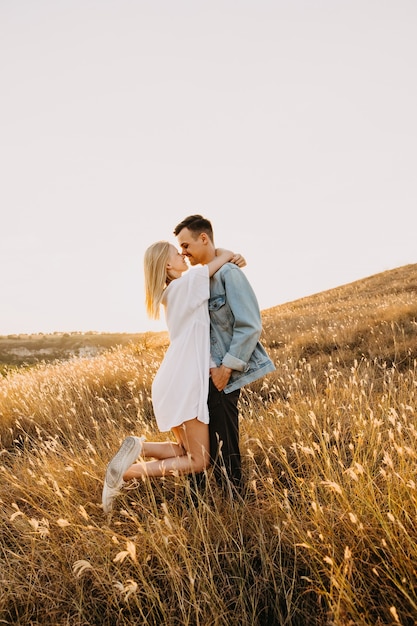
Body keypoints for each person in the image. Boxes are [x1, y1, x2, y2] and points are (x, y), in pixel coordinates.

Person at [102, 241, 245, 514]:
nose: (182, 255)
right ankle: (127, 473)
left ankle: (140, 447)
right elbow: (220, 257)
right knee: (199, 461)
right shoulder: (184, 285)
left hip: (175, 380)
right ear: (167, 265)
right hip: (184, 382)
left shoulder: (172, 292)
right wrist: (231, 255)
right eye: (176, 253)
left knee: (183, 450)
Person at [173, 215, 275, 496]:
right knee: (202, 444)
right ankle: (199, 504)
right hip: (197, 374)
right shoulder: (197, 279)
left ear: (203, 238)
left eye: (185, 244)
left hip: (220, 373)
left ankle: (235, 504)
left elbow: (250, 324)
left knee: (224, 440)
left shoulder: (228, 274)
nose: (183, 252)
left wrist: (226, 368)